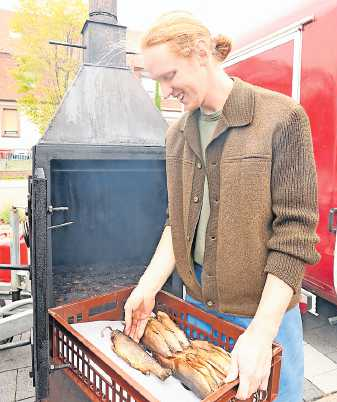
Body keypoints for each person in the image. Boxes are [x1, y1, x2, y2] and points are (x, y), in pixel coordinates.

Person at [124, 11, 320, 402]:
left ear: (201, 54)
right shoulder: (176, 134)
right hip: (200, 308)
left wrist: (261, 334)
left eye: (169, 76)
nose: (165, 92)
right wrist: (147, 287)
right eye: (157, 82)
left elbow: (295, 236)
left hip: (263, 313)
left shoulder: (282, 118)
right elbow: (176, 225)